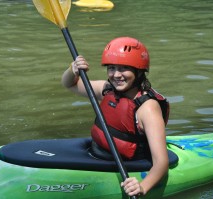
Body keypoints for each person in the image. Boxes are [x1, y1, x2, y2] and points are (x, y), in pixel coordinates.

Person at [61, 37, 169, 197]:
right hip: (96, 153)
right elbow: (69, 84)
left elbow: (161, 163)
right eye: (111, 68)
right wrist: (72, 69)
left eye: (124, 68)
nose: (116, 75)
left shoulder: (147, 108)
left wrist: (142, 187)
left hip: (130, 163)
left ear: (139, 71)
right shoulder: (107, 89)